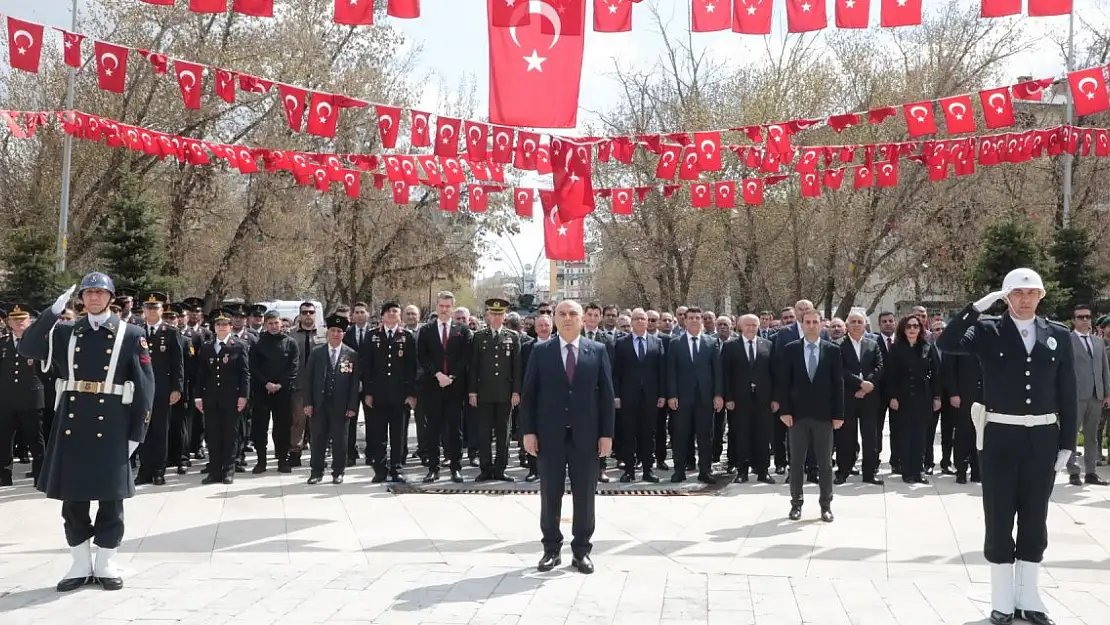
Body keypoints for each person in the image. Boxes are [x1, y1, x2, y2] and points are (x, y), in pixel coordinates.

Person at [937, 268, 1076, 625]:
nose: (1025, 299)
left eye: (1031, 293)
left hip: (1042, 439)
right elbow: (946, 342)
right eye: (1016, 293)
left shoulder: (1057, 335)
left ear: (1040, 296)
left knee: (1035, 517)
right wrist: (978, 306)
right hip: (1000, 437)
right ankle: (1001, 599)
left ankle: (1029, 597)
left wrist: (1066, 443)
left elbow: (1068, 394)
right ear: (1006, 296)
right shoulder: (987, 331)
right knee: (999, 517)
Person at [18, 274, 155, 592]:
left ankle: (106, 561)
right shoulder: (66, 331)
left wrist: (138, 431)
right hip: (73, 425)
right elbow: (28, 348)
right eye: (88, 292)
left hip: (113, 424)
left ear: (110, 297)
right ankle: (80, 562)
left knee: (111, 499)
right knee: (74, 499)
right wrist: (51, 314)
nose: (94, 297)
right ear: (81, 298)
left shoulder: (130, 334)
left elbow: (146, 386)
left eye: (100, 292)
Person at [520, 300, 615, 575]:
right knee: (551, 492)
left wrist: (607, 434)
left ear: (583, 319)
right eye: (561, 314)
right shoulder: (540, 351)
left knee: (585, 494)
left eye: (573, 313)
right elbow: (529, 395)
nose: (567, 318)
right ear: (554, 319)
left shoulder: (596, 350)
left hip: (586, 435)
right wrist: (528, 432)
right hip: (550, 435)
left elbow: (607, 395)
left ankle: (582, 550)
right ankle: (551, 549)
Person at [774, 309, 843, 523]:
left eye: (815, 322)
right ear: (801, 325)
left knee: (824, 463)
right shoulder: (791, 349)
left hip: (824, 416)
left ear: (821, 325)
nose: (812, 325)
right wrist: (784, 411)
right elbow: (783, 383)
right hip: (797, 416)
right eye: (808, 322)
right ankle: (796, 503)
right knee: (796, 462)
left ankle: (826, 505)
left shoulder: (832, 350)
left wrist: (838, 414)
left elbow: (837, 384)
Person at [417, 291, 473, 483]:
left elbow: (465, 357)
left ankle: (455, 468)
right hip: (432, 386)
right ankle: (433, 468)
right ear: (436, 306)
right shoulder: (426, 330)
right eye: (441, 306)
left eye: (448, 306)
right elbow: (423, 357)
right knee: (433, 428)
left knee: (455, 429)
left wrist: (452, 376)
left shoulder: (462, 330)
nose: (444, 309)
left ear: (453, 307)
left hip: (455, 387)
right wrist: (438, 374)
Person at [361, 302, 417, 483]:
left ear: (400, 316)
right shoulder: (372, 336)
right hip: (378, 394)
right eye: (389, 311)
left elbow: (412, 368)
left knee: (398, 435)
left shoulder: (406, 337)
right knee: (378, 435)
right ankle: (380, 469)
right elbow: (366, 368)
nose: (392, 314)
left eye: (396, 312)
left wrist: (411, 394)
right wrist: (368, 393)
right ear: (382, 315)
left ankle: (396, 468)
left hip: (400, 396)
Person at [468, 298, 522, 482]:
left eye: (500, 314)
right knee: (483, 432)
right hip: (484, 393)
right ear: (488, 315)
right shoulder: (479, 337)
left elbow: (517, 367)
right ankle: (485, 468)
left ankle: (500, 468)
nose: (497, 317)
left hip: (505, 394)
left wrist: (516, 392)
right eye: (493, 313)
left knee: (503, 433)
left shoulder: (512, 337)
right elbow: (473, 366)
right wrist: (472, 392)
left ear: (505, 315)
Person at [194, 310, 250, 485]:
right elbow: (200, 374)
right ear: (214, 327)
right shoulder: (207, 347)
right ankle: (215, 470)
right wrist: (198, 397)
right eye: (218, 325)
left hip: (231, 398)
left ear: (230, 327)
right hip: (211, 398)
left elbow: (245, 374)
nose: (221, 327)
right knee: (212, 435)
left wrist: (243, 396)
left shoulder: (238, 346)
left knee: (230, 435)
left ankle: (228, 470)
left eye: (225, 324)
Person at [884, 315, 942, 484]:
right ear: (903, 328)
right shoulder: (896, 348)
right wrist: (892, 396)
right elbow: (890, 375)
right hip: (903, 397)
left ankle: (918, 471)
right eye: (909, 326)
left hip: (923, 397)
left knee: (920, 436)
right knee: (905, 435)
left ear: (920, 328)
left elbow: (936, 373)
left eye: (916, 326)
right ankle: (907, 471)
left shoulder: (926, 346)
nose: (912, 329)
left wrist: (937, 396)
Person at [303, 314, 360, 484]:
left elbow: (354, 383)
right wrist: (308, 402)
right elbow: (309, 379)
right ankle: (316, 471)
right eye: (333, 330)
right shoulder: (317, 353)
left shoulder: (351, 354)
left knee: (340, 440)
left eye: (339, 331)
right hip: (319, 403)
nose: (335, 334)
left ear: (343, 334)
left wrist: (352, 405)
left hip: (341, 405)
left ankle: (338, 471)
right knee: (318, 439)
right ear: (328, 332)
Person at [135, 293, 185, 487]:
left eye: (155, 307)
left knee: (160, 431)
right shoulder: (137, 331)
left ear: (162, 310)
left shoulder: (171, 332)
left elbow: (177, 363)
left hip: (163, 390)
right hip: (141, 389)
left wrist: (177, 388)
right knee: (143, 431)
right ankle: (144, 470)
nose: (152, 311)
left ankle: (158, 471)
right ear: (144, 310)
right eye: (148, 307)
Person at [248, 311, 299, 474]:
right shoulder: (258, 343)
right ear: (265, 325)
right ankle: (261, 460)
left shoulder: (290, 343)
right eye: (270, 323)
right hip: (262, 391)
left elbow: (293, 367)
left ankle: (282, 459)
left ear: (281, 323)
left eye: (276, 323)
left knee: (283, 426)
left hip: (283, 391)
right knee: (260, 426)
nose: (274, 326)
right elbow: (253, 367)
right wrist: (266, 383)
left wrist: (280, 384)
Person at [0, 304, 45, 487]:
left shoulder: (38, 343)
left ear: (30, 322)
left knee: (35, 438)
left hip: (31, 398)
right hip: (6, 398)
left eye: (22, 320)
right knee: (4, 439)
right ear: (9, 322)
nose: (19, 323)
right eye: (15, 320)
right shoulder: (2, 343)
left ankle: (40, 474)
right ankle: (4, 475)